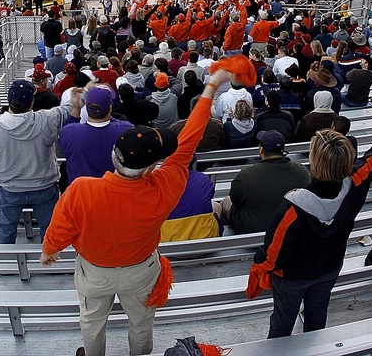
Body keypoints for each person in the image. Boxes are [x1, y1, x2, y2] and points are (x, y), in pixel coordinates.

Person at [40, 59, 232, 356]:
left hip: (95, 272)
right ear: (151, 167)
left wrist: (50, 250)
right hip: (141, 270)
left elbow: (59, 230)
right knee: (141, 323)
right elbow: (190, 140)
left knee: (91, 323)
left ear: (115, 158)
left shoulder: (81, 190)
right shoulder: (164, 187)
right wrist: (209, 89)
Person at [248, 109, 372, 337]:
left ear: (313, 161)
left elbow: (272, 254)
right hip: (330, 266)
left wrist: (257, 272)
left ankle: (278, 346)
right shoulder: (356, 183)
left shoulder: (293, 207)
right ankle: (316, 345)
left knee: (283, 319)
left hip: (293, 277)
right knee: (318, 311)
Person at [0, 79, 83, 244]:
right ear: (32, 102)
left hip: (9, 188)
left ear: (9, 100)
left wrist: (2, 167)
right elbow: (68, 109)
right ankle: (50, 261)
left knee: (6, 229)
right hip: (44, 187)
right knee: (50, 229)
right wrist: (78, 97)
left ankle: (3, 265)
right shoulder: (47, 119)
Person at [220, 130, 311, 235]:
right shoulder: (302, 172)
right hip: (291, 231)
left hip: (251, 232)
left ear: (261, 150)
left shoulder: (246, 174)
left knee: (225, 202)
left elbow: (234, 200)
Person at [59, 87, 133, 183]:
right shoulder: (126, 130)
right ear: (110, 108)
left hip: (82, 193)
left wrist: (76, 108)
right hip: (112, 191)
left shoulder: (69, 132)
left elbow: (68, 128)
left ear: (86, 105)